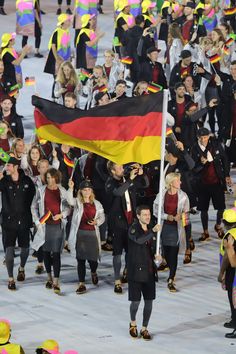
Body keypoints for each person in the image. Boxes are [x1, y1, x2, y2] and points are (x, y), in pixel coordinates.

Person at [105, 161, 148, 294]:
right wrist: (130, 179)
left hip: (131, 222)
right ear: (112, 171)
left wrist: (141, 174)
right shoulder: (110, 182)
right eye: (119, 167)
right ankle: (117, 280)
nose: (122, 168)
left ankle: (128, 273)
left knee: (131, 251)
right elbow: (118, 192)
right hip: (118, 224)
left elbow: (145, 184)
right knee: (117, 253)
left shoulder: (127, 180)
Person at [31, 168, 70, 294]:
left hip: (57, 226)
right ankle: (49, 278)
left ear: (56, 178)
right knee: (46, 253)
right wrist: (37, 221)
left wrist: (62, 215)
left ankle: (56, 282)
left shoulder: (62, 191)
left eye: (52, 178)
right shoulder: (41, 190)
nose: (50, 180)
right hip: (45, 227)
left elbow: (68, 207)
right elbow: (33, 206)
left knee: (57, 254)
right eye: (47, 178)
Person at [0, 157, 35, 290]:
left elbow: (33, 196)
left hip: (24, 221)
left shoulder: (27, 180)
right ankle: (11, 279)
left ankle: (21, 268)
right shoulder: (4, 180)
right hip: (8, 222)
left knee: (25, 249)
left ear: (15, 167)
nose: (6, 168)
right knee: (9, 251)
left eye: (8, 165)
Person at [191, 127, 232, 241]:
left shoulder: (216, 144)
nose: (203, 140)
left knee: (221, 207)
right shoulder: (194, 149)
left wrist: (227, 175)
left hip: (217, 182)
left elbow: (224, 159)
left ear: (209, 136)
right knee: (203, 210)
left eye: (205, 137)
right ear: (198, 138)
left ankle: (218, 225)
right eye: (201, 138)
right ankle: (205, 232)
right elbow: (192, 167)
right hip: (202, 184)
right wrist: (201, 163)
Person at [128, 205, 160, 340]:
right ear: (138, 216)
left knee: (149, 301)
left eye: (149, 214)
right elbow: (140, 240)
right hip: (136, 271)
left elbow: (155, 247)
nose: (147, 217)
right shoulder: (133, 229)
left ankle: (144, 327)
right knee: (135, 302)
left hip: (149, 271)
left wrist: (158, 257)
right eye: (144, 215)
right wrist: (152, 231)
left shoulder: (153, 228)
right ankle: (133, 322)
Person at [153, 172, 190, 292]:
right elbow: (155, 211)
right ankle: (167, 267)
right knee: (166, 253)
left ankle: (171, 278)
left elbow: (187, 215)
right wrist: (166, 216)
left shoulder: (183, 196)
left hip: (176, 229)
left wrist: (181, 216)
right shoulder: (162, 195)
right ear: (171, 183)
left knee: (173, 254)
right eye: (178, 180)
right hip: (164, 228)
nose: (180, 182)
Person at [67, 179, 105, 294]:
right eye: (84, 190)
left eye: (89, 189)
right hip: (80, 234)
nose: (87, 192)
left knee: (93, 259)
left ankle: (93, 271)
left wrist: (96, 222)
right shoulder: (78, 202)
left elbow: (102, 217)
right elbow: (69, 200)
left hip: (92, 234)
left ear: (91, 191)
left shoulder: (97, 203)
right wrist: (70, 188)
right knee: (81, 260)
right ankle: (81, 283)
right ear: (81, 191)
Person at [218, 207, 236, 339]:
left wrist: (221, 274)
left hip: (233, 273)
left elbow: (228, 259)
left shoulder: (229, 237)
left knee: (233, 299)